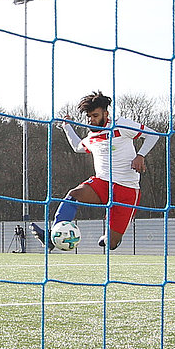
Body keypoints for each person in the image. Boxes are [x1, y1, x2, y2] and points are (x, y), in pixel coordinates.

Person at [31, 91, 160, 251]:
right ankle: (52, 236)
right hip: (102, 183)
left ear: (106, 114)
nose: (92, 120)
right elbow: (78, 147)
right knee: (74, 194)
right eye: (89, 116)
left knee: (110, 244)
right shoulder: (92, 135)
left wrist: (140, 155)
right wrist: (67, 126)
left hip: (127, 189)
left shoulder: (121, 125)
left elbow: (153, 135)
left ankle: (111, 237)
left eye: (95, 115)